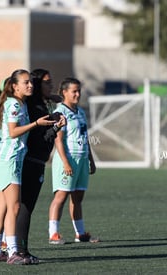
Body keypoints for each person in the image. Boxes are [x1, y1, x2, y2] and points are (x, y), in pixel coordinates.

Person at [0, 69, 56, 265]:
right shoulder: (14, 104)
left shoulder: (9, 102)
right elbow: (13, 132)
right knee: (14, 206)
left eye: (31, 82)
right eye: (26, 82)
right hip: (10, 160)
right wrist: (36, 123)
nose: (30, 85)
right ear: (14, 86)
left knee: (4, 207)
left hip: (4, 159)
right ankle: (14, 252)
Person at [16, 68, 66, 263]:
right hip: (32, 162)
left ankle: (7, 246)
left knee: (19, 207)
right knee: (25, 207)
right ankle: (20, 251)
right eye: (47, 82)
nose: (51, 85)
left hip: (33, 161)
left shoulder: (36, 104)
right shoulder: (35, 108)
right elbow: (40, 141)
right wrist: (55, 127)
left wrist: (51, 97)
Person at [48, 77, 99, 244]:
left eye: (79, 91)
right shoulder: (60, 111)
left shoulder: (80, 111)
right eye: (74, 91)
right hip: (68, 159)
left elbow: (85, 137)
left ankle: (80, 233)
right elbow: (58, 139)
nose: (78, 94)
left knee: (77, 198)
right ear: (64, 92)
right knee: (61, 197)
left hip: (82, 159)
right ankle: (53, 233)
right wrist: (65, 162)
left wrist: (90, 159)